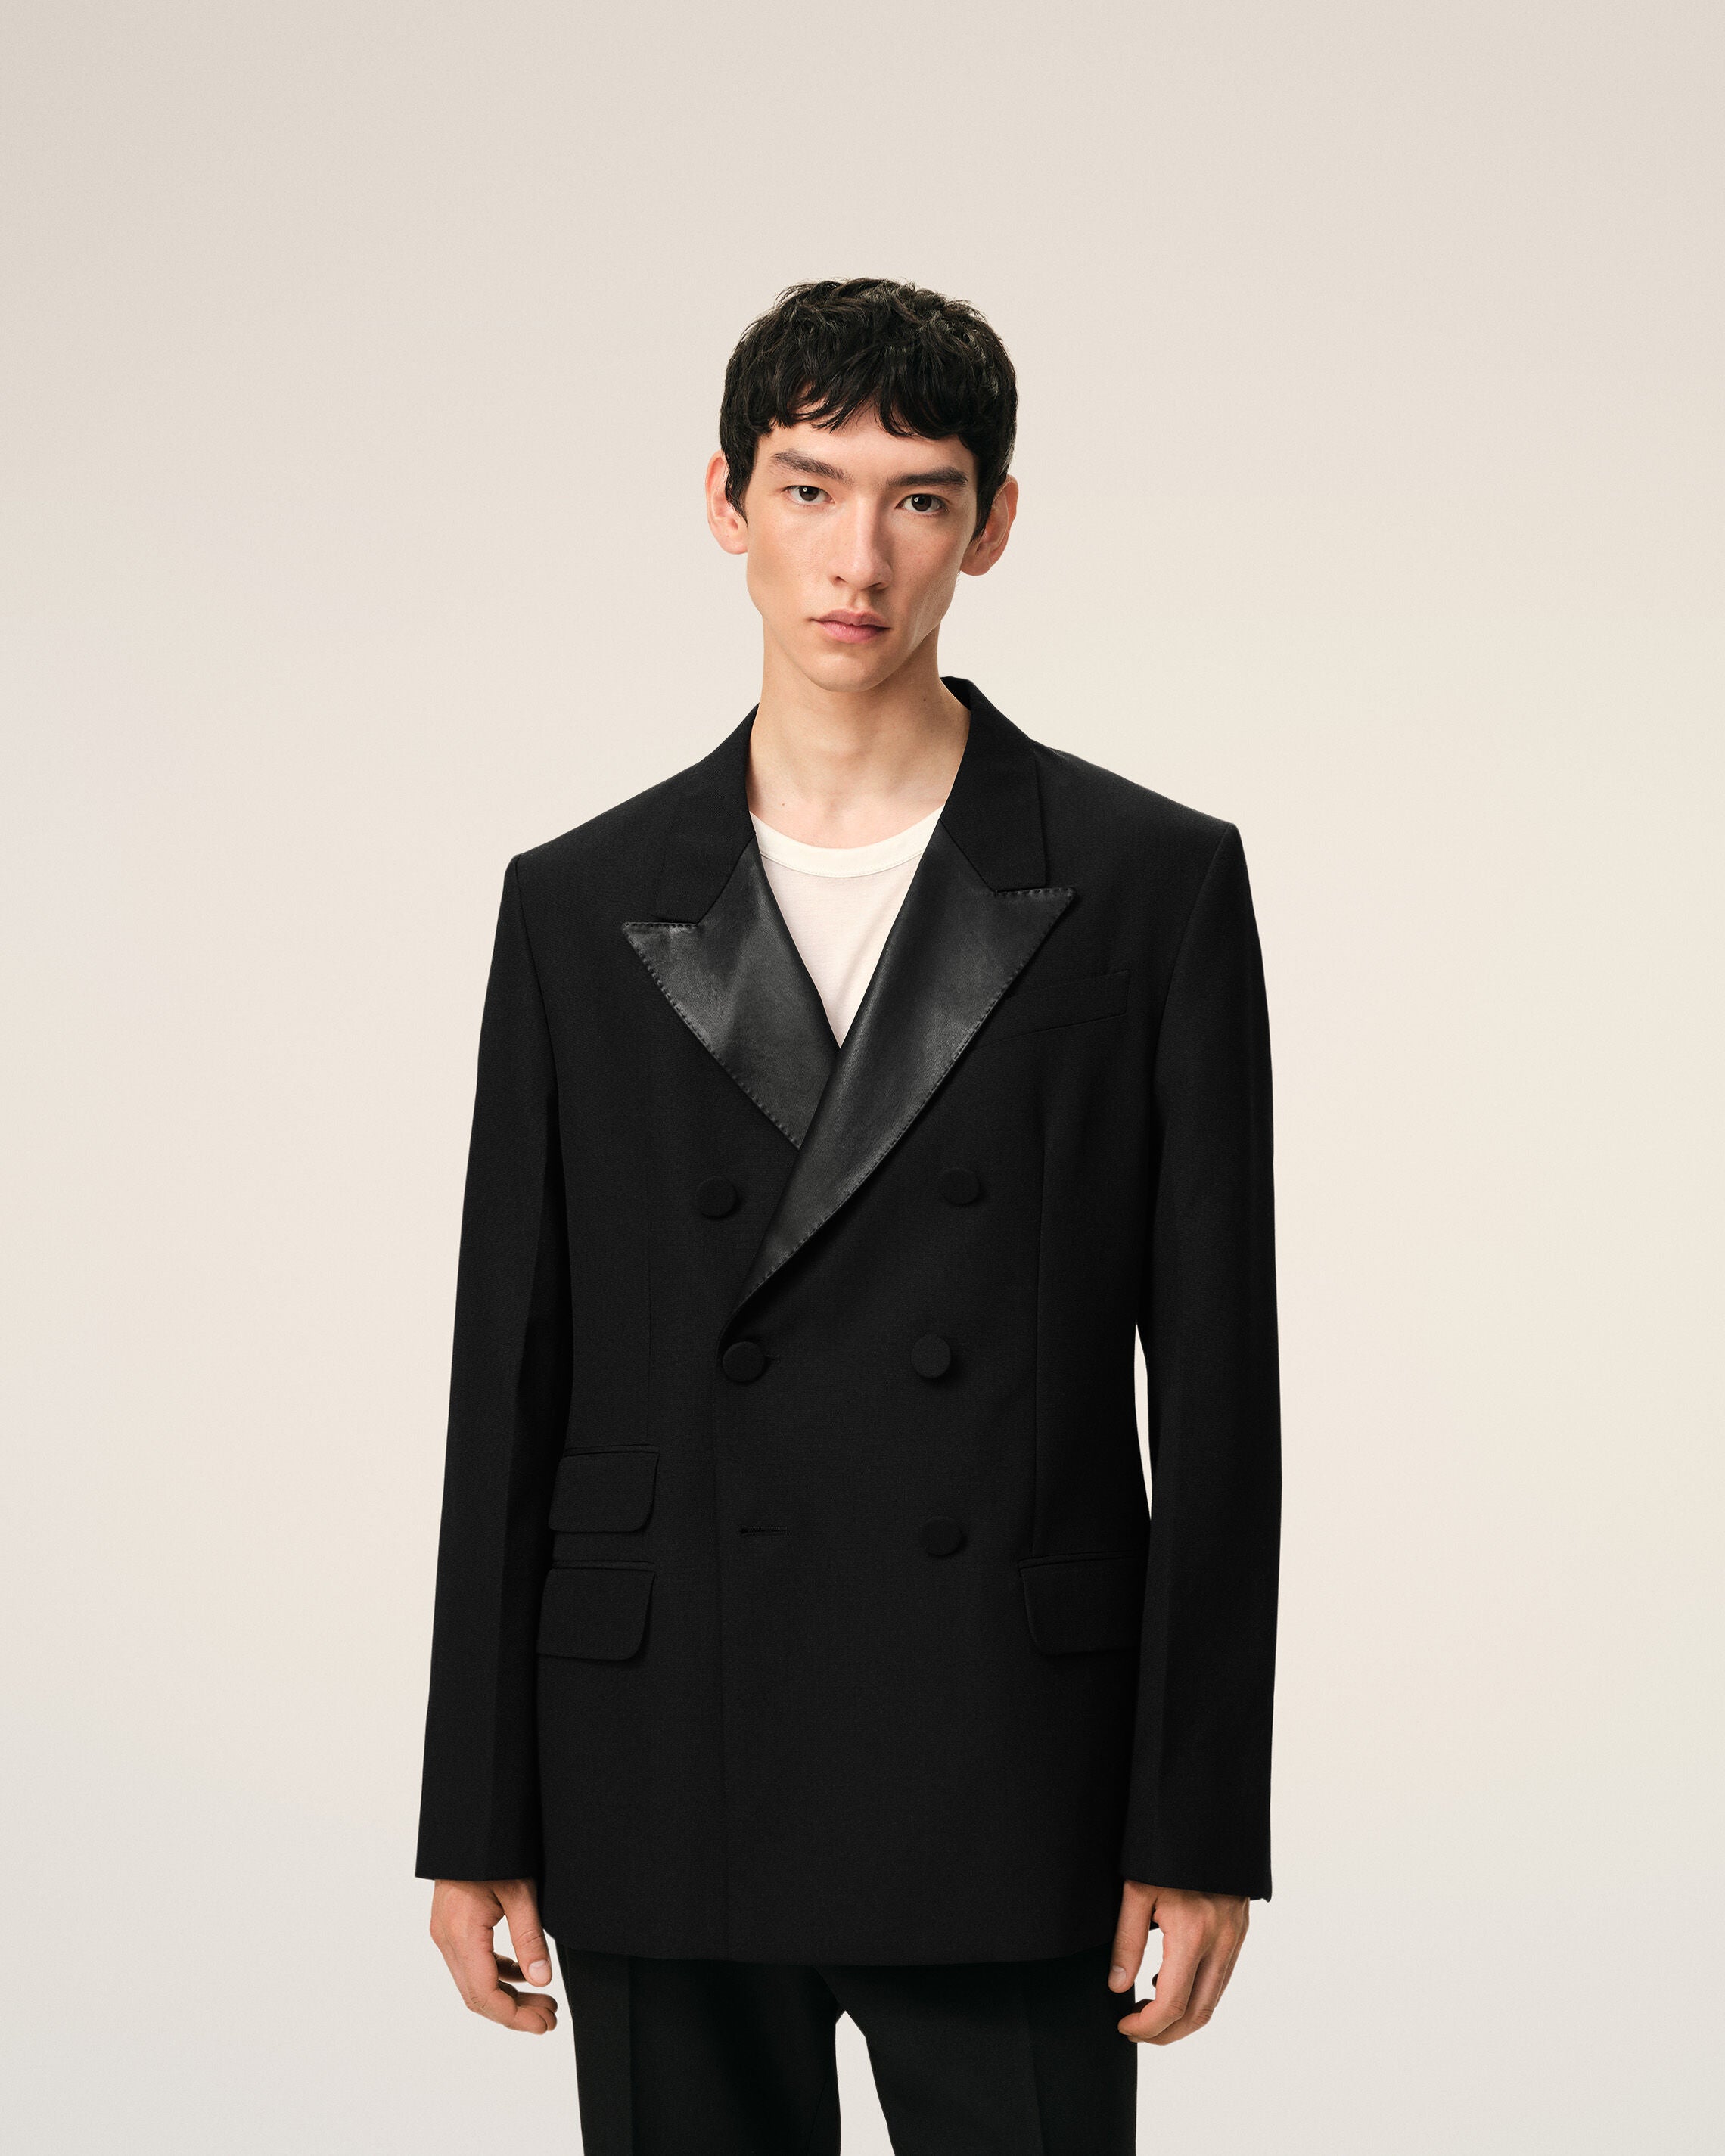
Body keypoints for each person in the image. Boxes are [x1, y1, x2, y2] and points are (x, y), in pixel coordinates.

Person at [415, 278, 1281, 2154]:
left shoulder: (1151, 885)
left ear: (994, 524)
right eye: (809, 489)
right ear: (725, 501)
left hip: (1013, 1762)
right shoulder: (576, 903)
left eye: (920, 496)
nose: (858, 557)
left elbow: (1222, 1392)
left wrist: (1200, 1818)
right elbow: (513, 1376)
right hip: (667, 1742)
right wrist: (474, 1809)